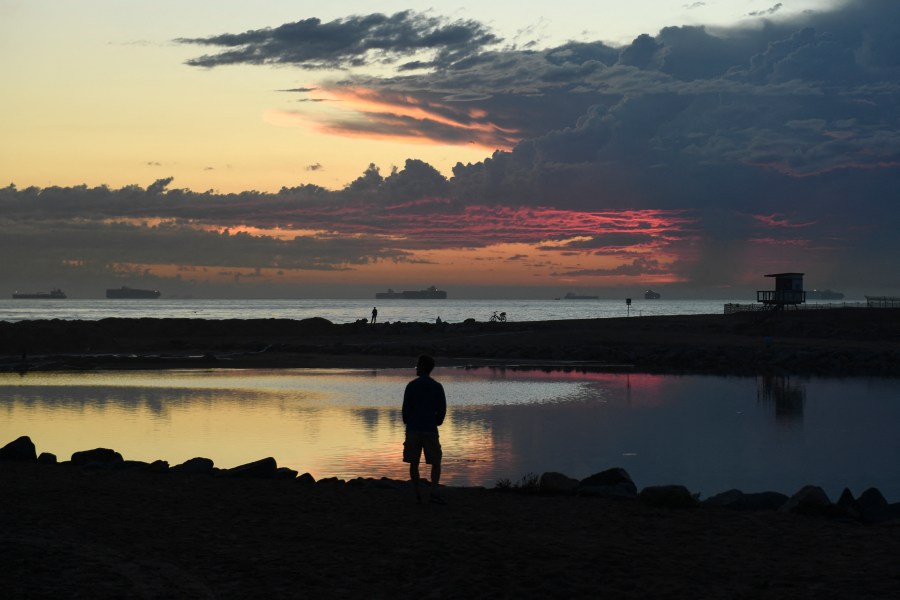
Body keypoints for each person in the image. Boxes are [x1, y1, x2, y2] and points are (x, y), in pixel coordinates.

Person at [402, 354, 447, 504]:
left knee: (414, 462)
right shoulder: (437, 387)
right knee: (436, 462)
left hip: (414, 428)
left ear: (422, 367)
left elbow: (405, 409)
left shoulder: (412, 386)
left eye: (417, 365)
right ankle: (433, 491)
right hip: (429, 429)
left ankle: (417, 493)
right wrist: (437, 422)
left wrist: (408, 421)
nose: (416, 367)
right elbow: (441, 410)